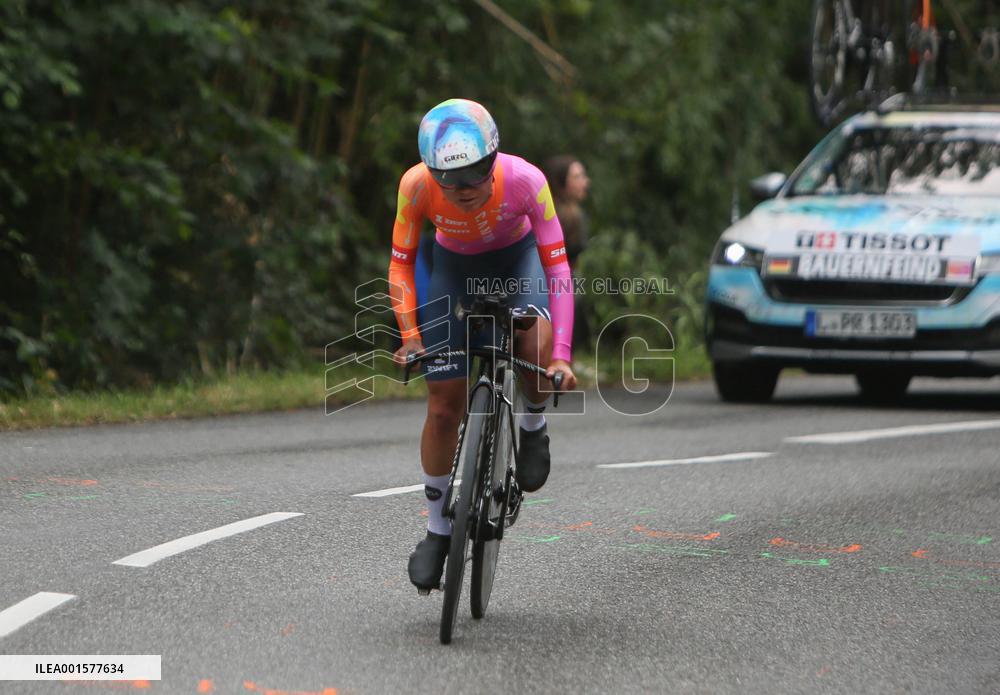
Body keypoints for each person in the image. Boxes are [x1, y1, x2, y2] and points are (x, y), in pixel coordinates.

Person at [388, 98, 578, 591]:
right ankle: (436, 530)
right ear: (431, 172)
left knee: (534, 346)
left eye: (475, 174)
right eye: (448, 179)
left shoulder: (527, 181)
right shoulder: (415, 187)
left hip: (518, 265)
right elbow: (401, 265)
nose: (463, 189)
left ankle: (532, 424)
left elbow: (556, 269)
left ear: (493, 159)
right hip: (452, 270)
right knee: (443, 405)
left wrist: (561, 356)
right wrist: (410, 338)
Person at [544, 155, 591, 349]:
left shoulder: (560, 211)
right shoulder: (568, 215)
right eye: (578, 176)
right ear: (560, 182)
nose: (585, 182)